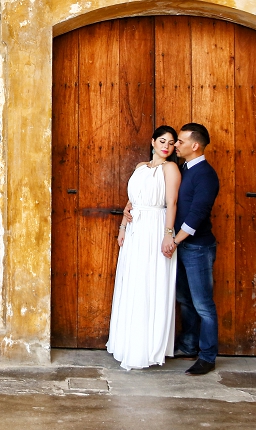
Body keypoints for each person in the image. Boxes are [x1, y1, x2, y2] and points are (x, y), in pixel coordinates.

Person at [106, 125, 181, 370]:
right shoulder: (140, 167)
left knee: (151, 281)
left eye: (171, 143)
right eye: (162, 140)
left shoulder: (170, 169)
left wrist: (168, 235)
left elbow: (172, 203)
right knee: (134, 281)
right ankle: (127, 342)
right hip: (136, 230)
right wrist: (122, 228)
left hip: (155, 228)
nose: (166, 146)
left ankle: (148, 347)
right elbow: (131, 201)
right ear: (152, 141)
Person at [162, 122, 221, 376]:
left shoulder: (206, 174)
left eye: (181, 141)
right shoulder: (184, 169)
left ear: (195, 146)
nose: (176, 145)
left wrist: (175, 241)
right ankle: (188, 345)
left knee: (203, 305)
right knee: (185, 300)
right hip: (183, 246)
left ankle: (207, 356)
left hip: (197, 247)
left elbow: (196, 215)